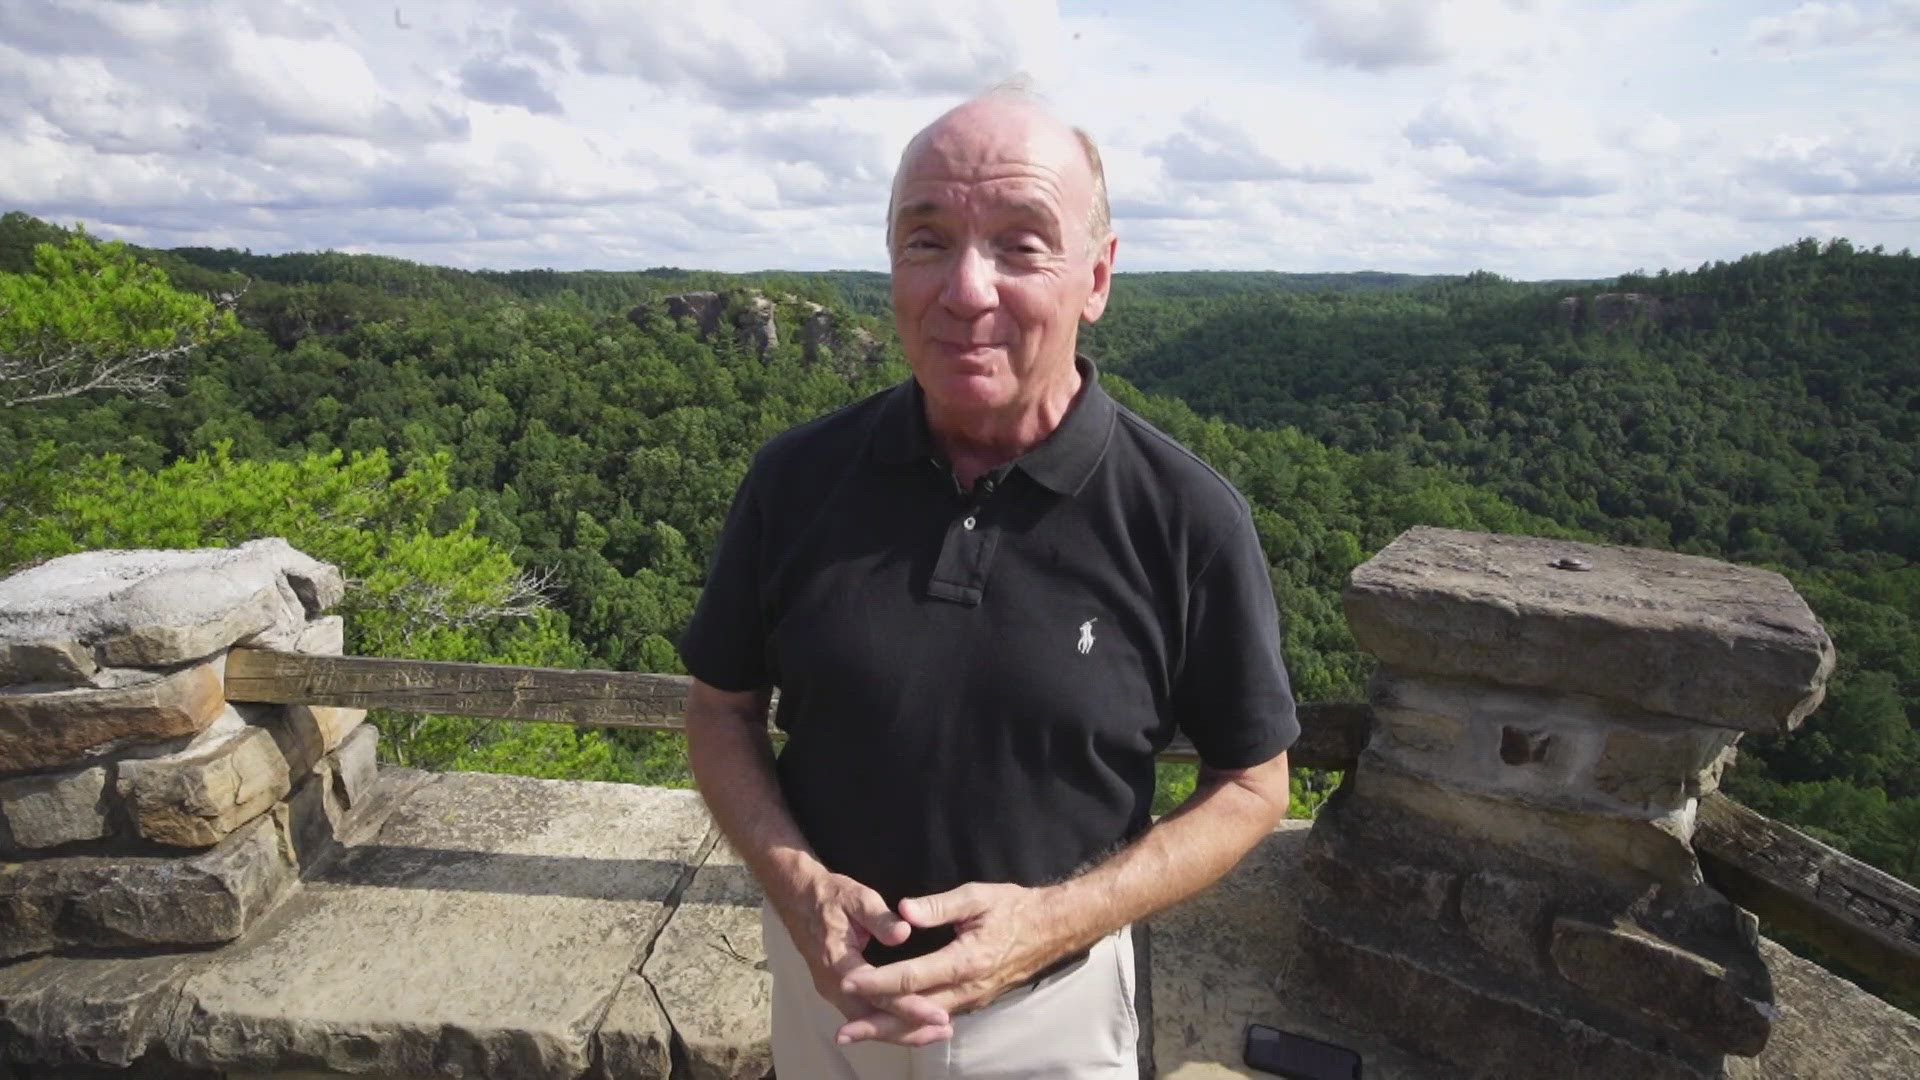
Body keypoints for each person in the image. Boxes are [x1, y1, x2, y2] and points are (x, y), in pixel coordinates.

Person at [679, 86, 1298, 1078]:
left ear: (1097, 275)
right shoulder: (795, 480)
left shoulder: (1184, 517)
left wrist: (1049, 924)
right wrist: (798, 890)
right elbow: (720, 711)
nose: (966, 290)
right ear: (890, 266)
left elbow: (1254, 785)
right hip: (825, 1000)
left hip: (1048, 1018)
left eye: (1021, 243)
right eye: (927, 240)